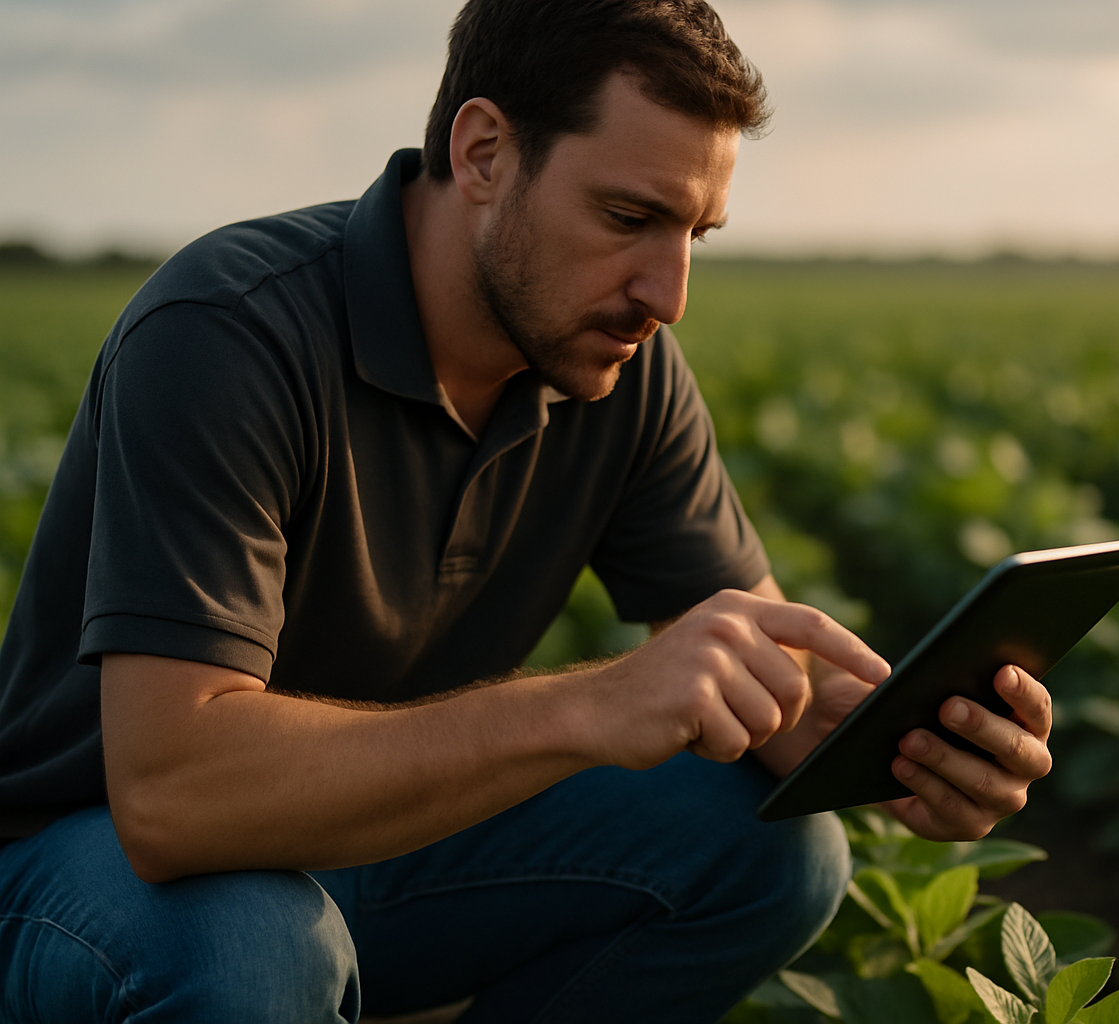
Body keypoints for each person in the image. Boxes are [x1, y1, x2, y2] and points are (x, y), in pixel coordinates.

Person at [0, 1, 1053, 1020]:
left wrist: (901, 750)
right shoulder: (229, 331)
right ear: (484, 154)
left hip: (369, 853)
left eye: (696, 233)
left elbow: (772, 679)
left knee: (777, 849)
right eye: (629, 218)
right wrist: (586, 705)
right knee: (253, 942)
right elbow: (173, 798)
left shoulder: (619, 366)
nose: (668, 295)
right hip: (91, 873)